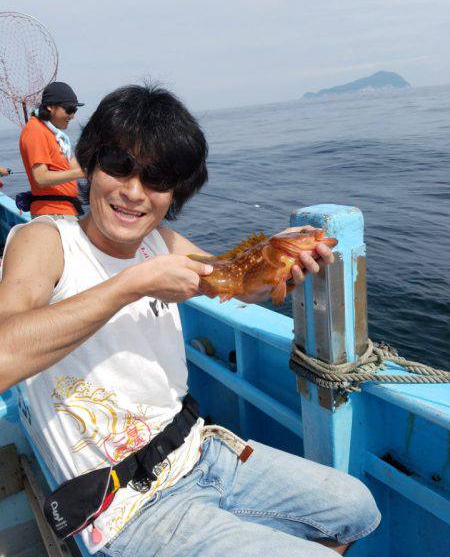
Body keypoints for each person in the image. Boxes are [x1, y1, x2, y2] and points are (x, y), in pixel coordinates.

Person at [0, 84, 380, 556]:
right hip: (124, 504)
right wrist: (131, 285)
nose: (134, 192)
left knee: (355, 507)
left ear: (176, 190)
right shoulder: (45, 241)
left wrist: (276, 258)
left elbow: (232, 279)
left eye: (157, 178)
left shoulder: (159, 242)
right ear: (91, 165)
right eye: (119, 166)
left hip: (199, 451)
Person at [18, 81, 85, 219]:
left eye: (75, 110)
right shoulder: (35, 131)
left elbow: (75, 168)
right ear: (50, 106)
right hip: (53, 213)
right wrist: (83, 172)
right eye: (69, 110)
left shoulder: (57, 136)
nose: (73, 116)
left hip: (67, 210)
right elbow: (41, 178)